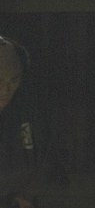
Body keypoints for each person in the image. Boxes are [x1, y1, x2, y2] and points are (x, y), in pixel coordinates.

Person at [0, 36, 64, 208]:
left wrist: (29, 193)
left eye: (14, 80)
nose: (6, 90)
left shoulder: (30, 110)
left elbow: (49, 161)